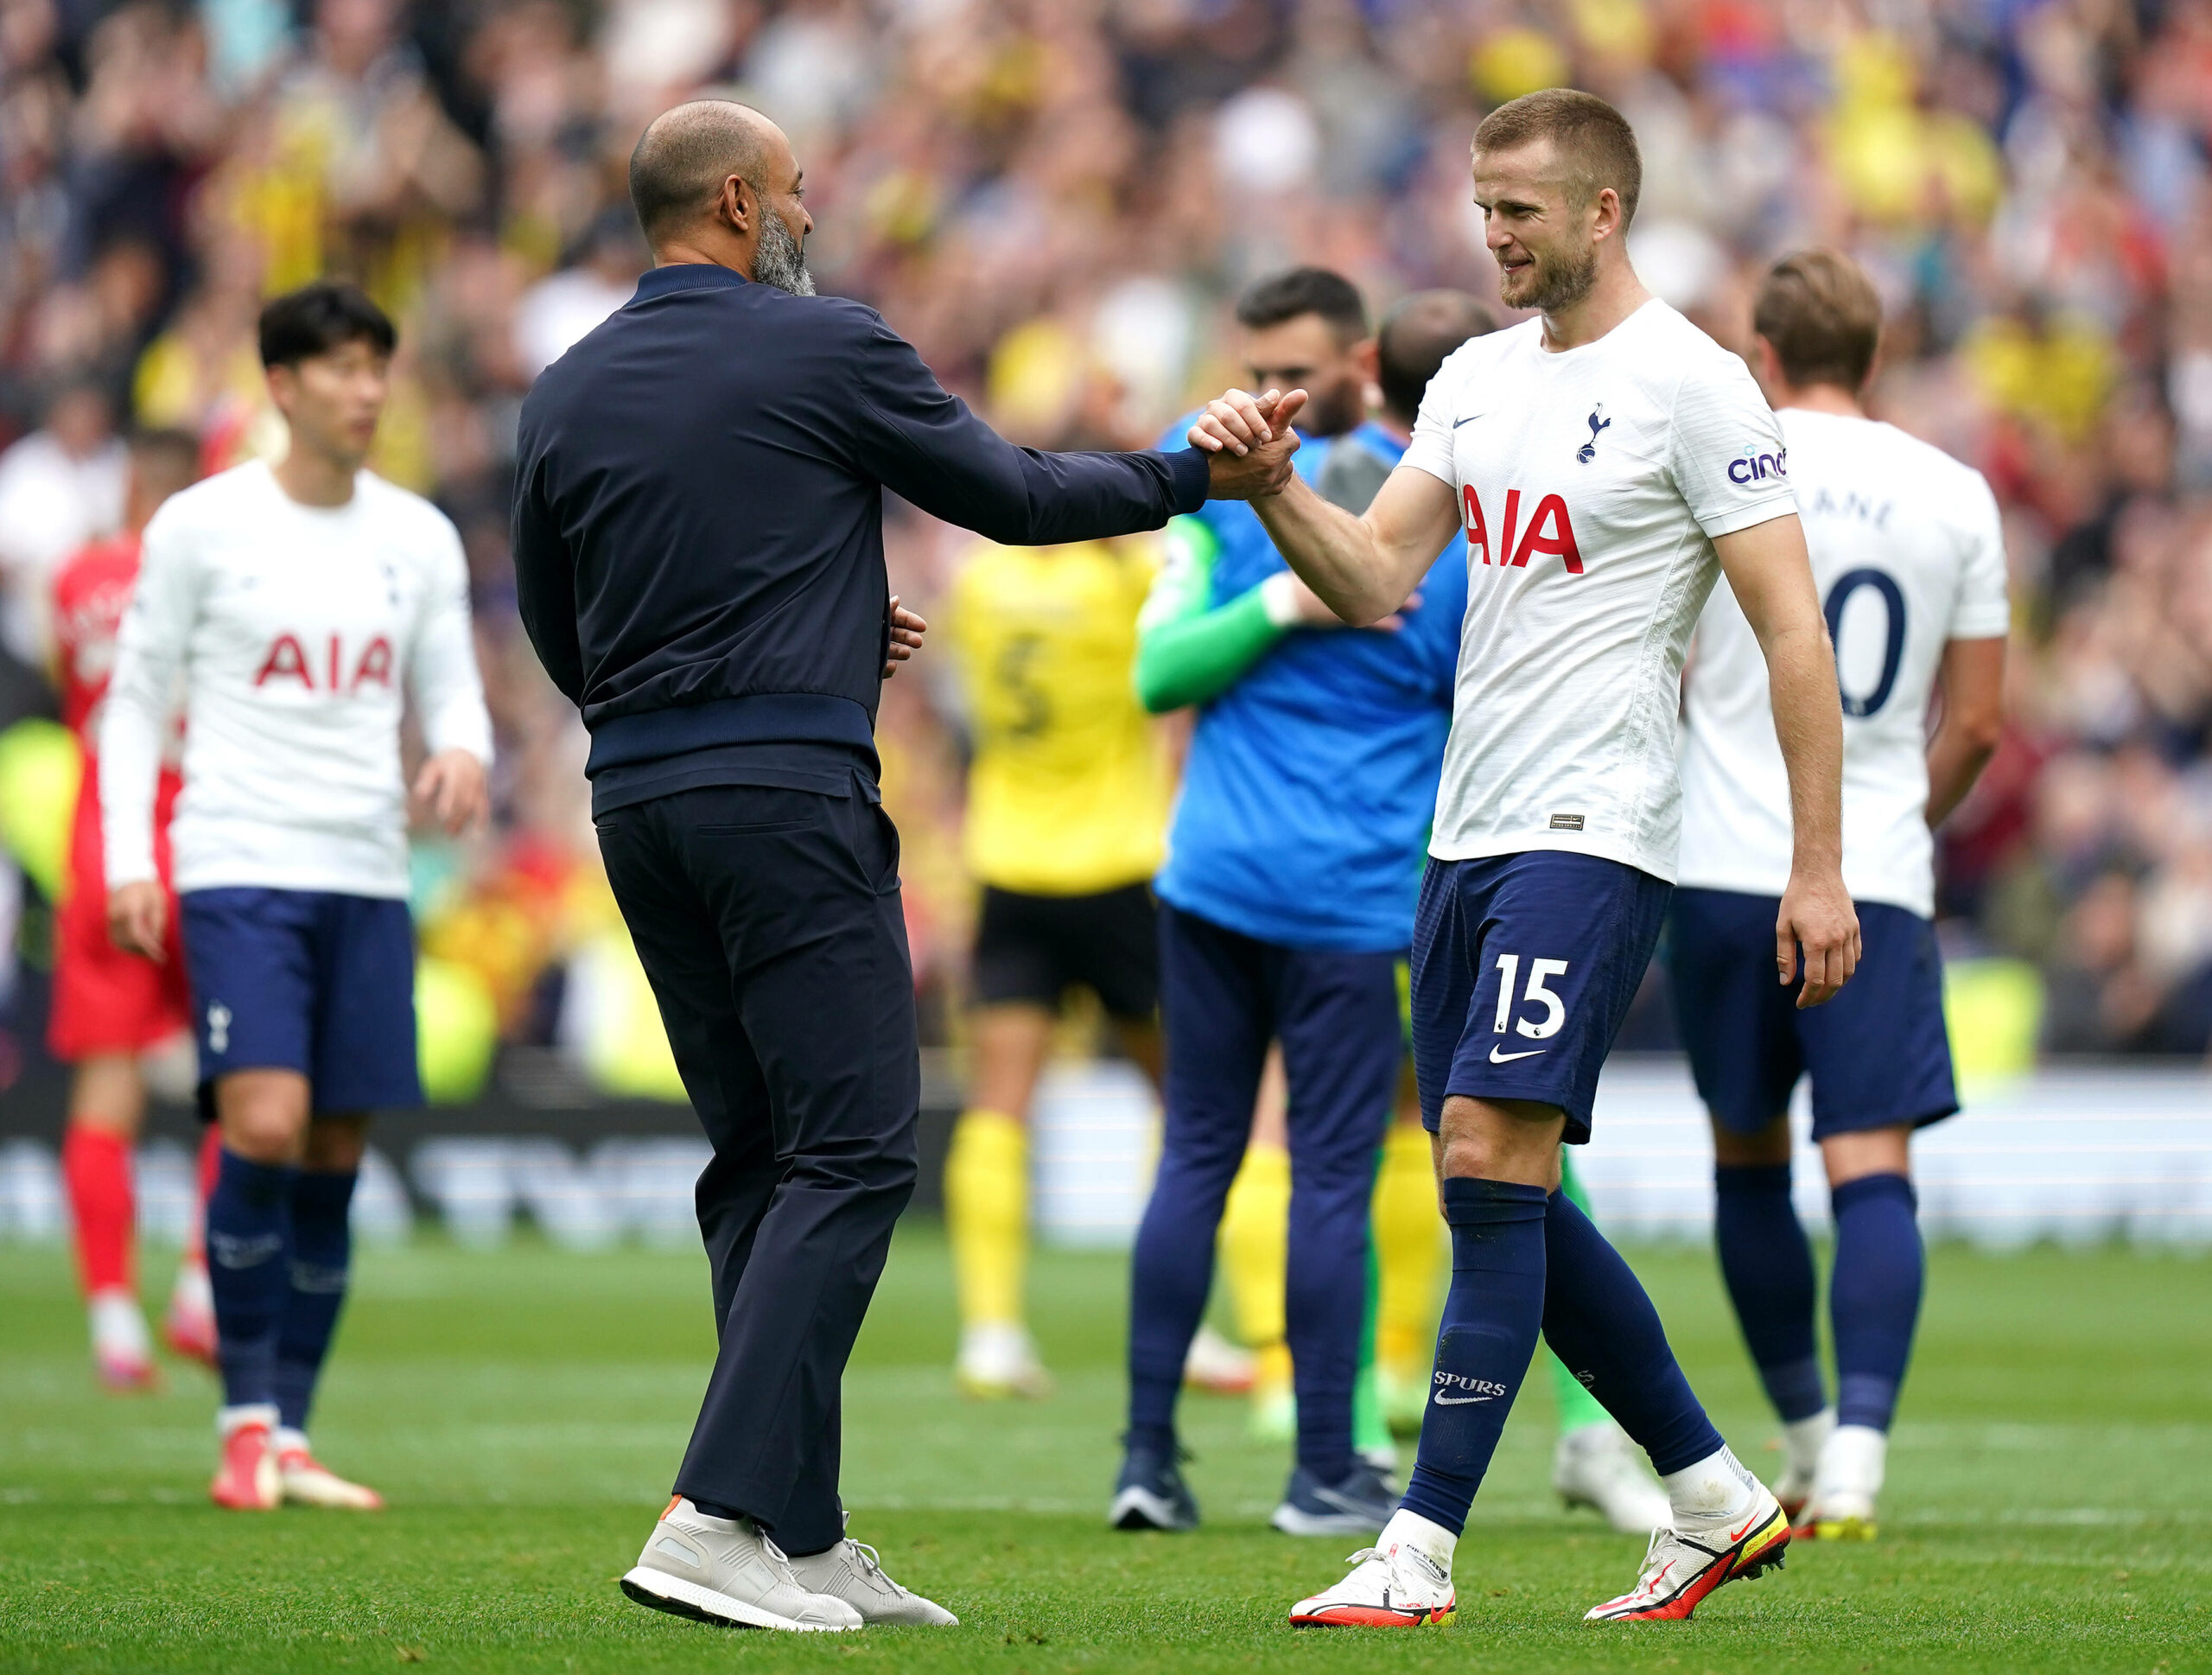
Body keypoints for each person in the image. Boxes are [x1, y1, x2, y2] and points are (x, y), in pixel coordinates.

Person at [510, 99, 1290, 1635]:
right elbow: (1012, 496)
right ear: (740, 201)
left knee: (757, 1157)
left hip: (639, 797)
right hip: (788, 794)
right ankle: (716, 1511)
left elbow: (558, 616)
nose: (812, 213)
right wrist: (1195, 473)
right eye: (798, 189)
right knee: (858, 1147)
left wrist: (757, 663)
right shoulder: (823, 345)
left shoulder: (563, 387)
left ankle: (798, 1531)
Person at [1188, 87, 1859, 1626]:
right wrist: (1276, 482)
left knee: (1489, 1156)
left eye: (1520, 213)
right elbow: (1374, 575)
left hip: (1597, 827)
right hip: (1466, 828)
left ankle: (1417, 1549)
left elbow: (1791, 632)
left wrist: (1816, 865)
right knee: (1500, 1178)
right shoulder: (1481, 379)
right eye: (1483, 209)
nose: (1492, 237)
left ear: (1603, 210)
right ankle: (1710, 1492)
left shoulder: (1696, 385)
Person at [102, 281, 493, 1513]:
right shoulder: (202, 529)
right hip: (238, 862)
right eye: (340, 368)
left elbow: (454, 682)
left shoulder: (416, 535)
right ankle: (244, 1419)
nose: (367, 389)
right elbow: (134, 700)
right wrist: (129, 853)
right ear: (282, 385)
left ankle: (294, 1433)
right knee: (264, 1122)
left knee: (334, 1144)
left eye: (378, 367)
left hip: (368, 870)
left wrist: (466, 750)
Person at [1110, 268, 1468, 1539]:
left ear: (1361, 365)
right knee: (1314, 1171)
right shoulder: (1443, 516)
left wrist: (1264, 594)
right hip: (1327, 890)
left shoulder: (1284, 485)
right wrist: (1296, 600)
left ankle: (1157, 1453)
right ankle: (1301, 1465)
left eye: (1291, 378)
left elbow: (1171, 658)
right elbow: (1158, 673)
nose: (1267, 402)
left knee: (1211, 1158)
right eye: (1251, 373)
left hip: (1240, 874)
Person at [1669, 249, 2008, 1542]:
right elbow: (1975, 723)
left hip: (1718, 869)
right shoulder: (1953, 491)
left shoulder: (1721, 467)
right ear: (1875, 357)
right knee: (1872, 1164)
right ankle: (1860, 1450)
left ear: (1761, 354)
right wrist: (1892, 833)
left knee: (1747, 1158)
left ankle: (1803, 1439)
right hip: (1872, 871)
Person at [942, 527, 1171, 1400]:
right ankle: (1174, 1324)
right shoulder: (1120, 585)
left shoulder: (983, 584)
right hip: (1117, 867)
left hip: (1007, 864)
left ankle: (990, 1331)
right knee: (1187, 1102)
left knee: (1000, 1102)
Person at [48, 425, 219, 1390]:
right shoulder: (208, 574)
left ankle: (115, 1322)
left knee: (105, 1092)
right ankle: (199, 1289)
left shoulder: (76, 578)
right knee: (235, 1077)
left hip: (102, 851)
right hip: (199, 840)